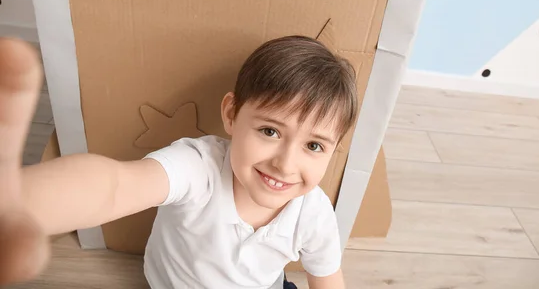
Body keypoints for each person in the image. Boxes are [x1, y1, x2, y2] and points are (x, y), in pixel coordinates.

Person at [0, 35, 357, 288]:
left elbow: (326, 278)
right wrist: (20, 200)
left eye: (313, 146)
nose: (286, 164)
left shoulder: (313, 213)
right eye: (270, 132)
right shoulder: (198, 167)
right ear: (231, 114)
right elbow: (114, 186)